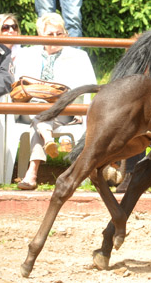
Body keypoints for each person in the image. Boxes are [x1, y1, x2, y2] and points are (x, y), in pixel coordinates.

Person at [14, 12, 96, 190]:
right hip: (30, 110)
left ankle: (32, 173)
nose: (56, 38)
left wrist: (82, 109)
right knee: (42, 113)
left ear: (66, 34)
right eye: (50, 34)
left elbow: (90, 86)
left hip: (63, 111)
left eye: (60, 33)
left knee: (42, 119)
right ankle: (48, 139)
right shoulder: (26, 55)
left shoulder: (78, 56)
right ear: (40, 36)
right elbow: (19, 84)